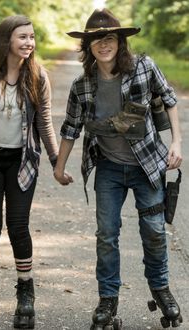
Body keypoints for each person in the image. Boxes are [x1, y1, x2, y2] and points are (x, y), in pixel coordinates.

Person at [54, 8, 183, 330]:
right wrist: (59, 167)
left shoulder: (143, 67)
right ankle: (107, 300)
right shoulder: (82, 85)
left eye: (109, 38)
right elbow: (70, 128)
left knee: (153, 231)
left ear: (119, 42)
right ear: (89, 47)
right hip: (109, 169)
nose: (103, 44)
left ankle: (161, 289)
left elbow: (169, 100)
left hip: (147, 165)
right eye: (96, 40)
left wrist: (177, 143)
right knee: (106, 236)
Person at [0, 15, 59, 329]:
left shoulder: (38, 76)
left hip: (22, 161)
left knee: (18, 227)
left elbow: (44, 122)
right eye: (23, 37)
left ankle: (25, 294)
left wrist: (57, 160)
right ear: (7, 40)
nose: (29, 42)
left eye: (32, 37)